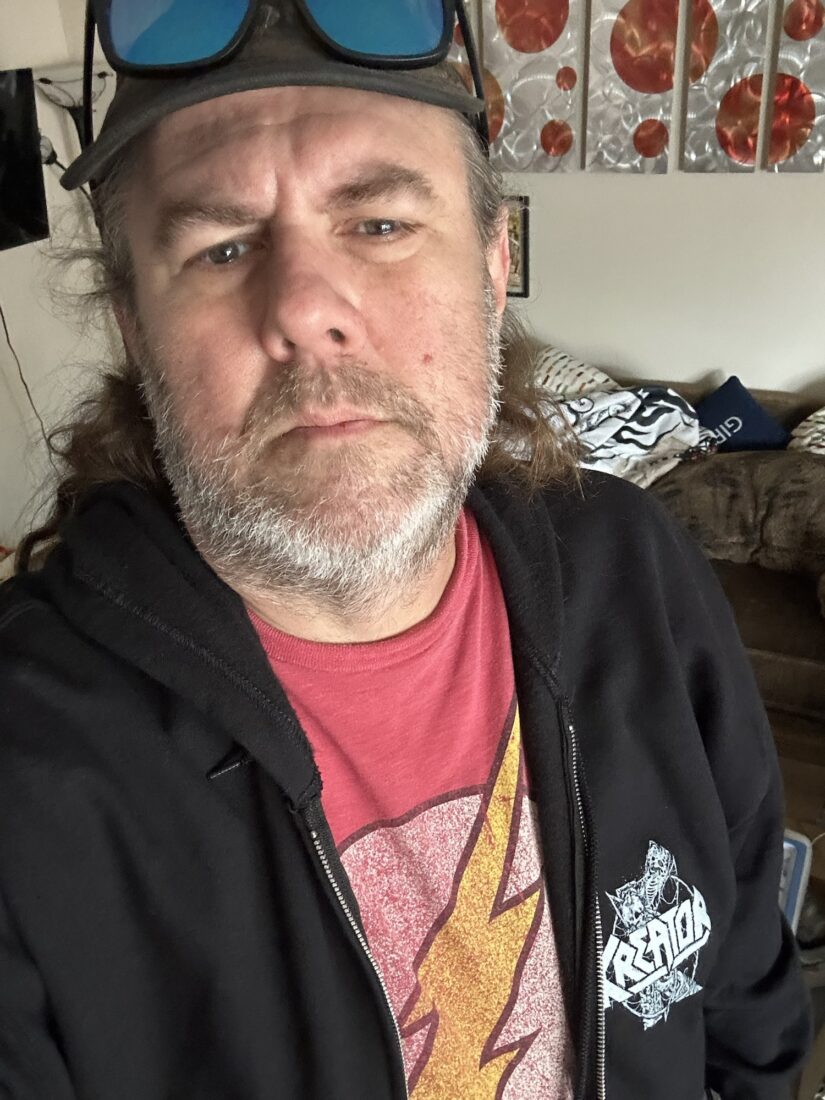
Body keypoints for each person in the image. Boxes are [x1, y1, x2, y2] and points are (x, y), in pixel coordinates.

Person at [0, 2, 811, 1097]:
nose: (304, 308)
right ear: (134, 328)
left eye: (379, 223)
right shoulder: (28, 768)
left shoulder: (638, 572)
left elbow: (747, 1001)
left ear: (492, 263)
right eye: (222, 245)